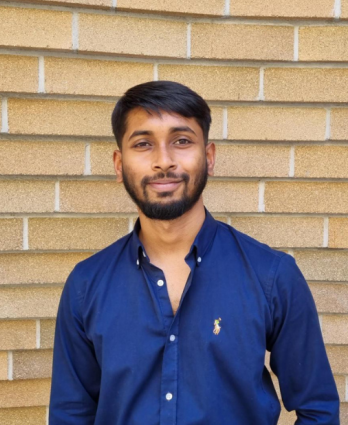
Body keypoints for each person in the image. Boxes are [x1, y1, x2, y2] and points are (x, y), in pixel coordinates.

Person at [48, 80, 340, 424]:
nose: (163, 161)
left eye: (182, 141)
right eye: (143, 144)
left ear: (209, 157)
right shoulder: (86, 285)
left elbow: (318, 409)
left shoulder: (272, 275)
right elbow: (70, 414)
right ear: (118, 164)